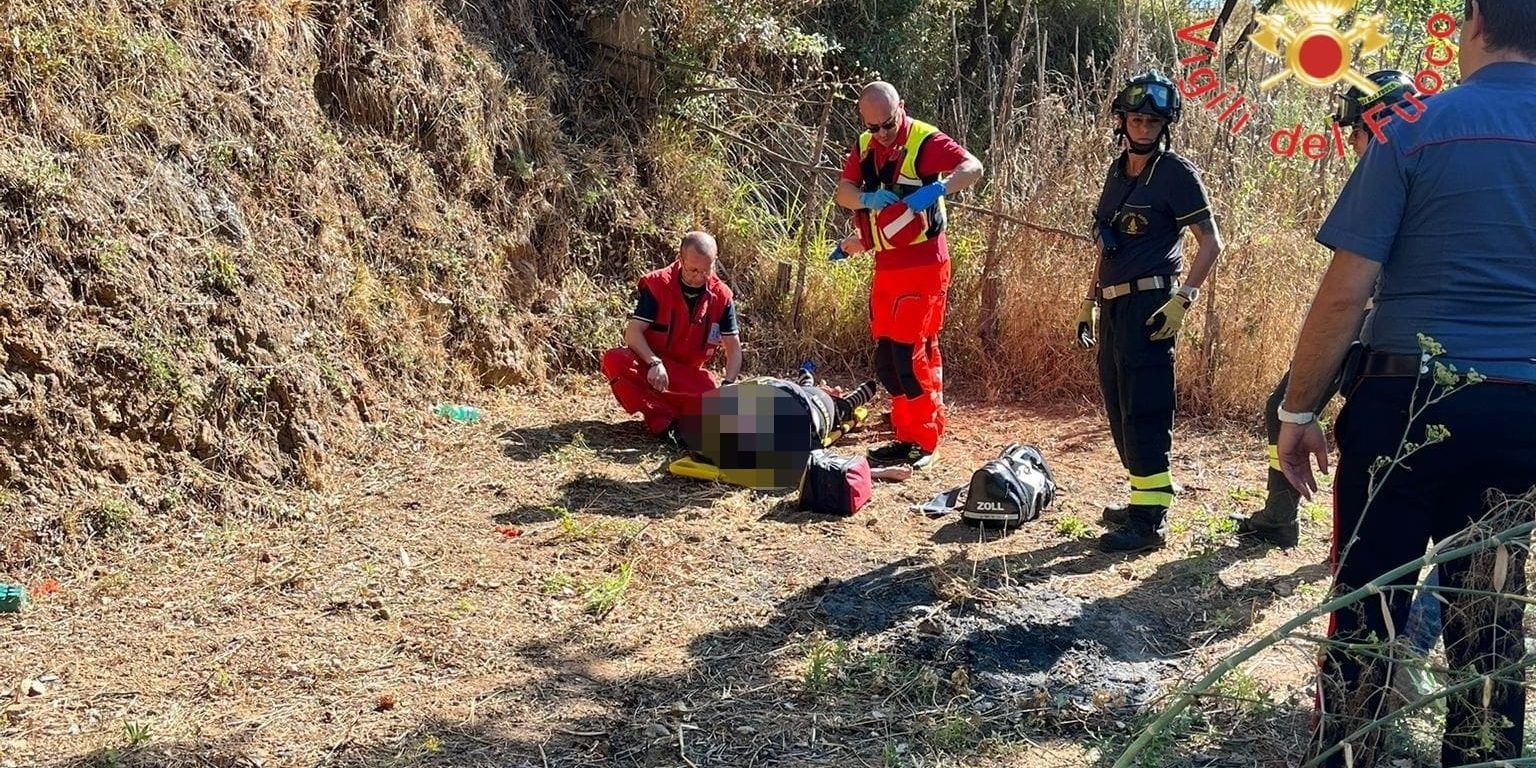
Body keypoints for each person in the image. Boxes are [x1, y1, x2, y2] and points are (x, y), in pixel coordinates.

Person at [1277, 2, 1536, 764]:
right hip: (1521, 413)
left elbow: (1344, 294)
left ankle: (1348, 753)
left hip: (1405, 405)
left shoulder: (1415, 128)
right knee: (1490, 616)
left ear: (1473, 23)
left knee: (1370, 606)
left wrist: (1299, 409)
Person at [1235, 69, 1420, 548]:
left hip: (1378, 330)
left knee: (1293, 410)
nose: (1353, 143)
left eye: (1357, 131)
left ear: (1380, 123)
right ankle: (1284, 517)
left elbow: (1346, 291)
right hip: (1391, 331)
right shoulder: (1432, 169)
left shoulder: (1392, 173)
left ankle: (1300, 522)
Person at [1079, 71, 1223, 553]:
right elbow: (1106, 243)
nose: (1144, 128)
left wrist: (1184, 300)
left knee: (1145, 406)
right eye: (1136, 119)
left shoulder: (1176, 174)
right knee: (1118, 403)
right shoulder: (1117, 171)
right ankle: (1143, 497)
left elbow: (1211, 243)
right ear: (1122, 121)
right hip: (1113, 303)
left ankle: (1149, 522)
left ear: (1166, 126)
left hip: (1151, 305)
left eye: (1153, 121)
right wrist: (1089, 300)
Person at [833, 81, 984, 470]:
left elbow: (972, 167)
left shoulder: (924, 140)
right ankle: (905, 434)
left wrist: (938, 190)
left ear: (901, 106)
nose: (882, 133)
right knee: (886, 360)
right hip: (887, 267)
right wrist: (865, 198)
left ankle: (925, 439)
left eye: (887, 124)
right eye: (873, 127)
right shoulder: (866, 145)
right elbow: (843, 192)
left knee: (909, 356)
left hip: (925, 266)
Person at [600, 232, 742, 444]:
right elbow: (633, 332)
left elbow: (733, 348)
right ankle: (663, 421)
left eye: (706, 270)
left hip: (687, 376)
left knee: (714, 400)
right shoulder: (658, 284)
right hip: (651, 369)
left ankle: (680, 418)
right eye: (693, 270)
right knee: (614, 360)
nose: (700, 277)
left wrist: (728, 384)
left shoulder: (722, 296)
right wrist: (653, 362)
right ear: (680, 259)